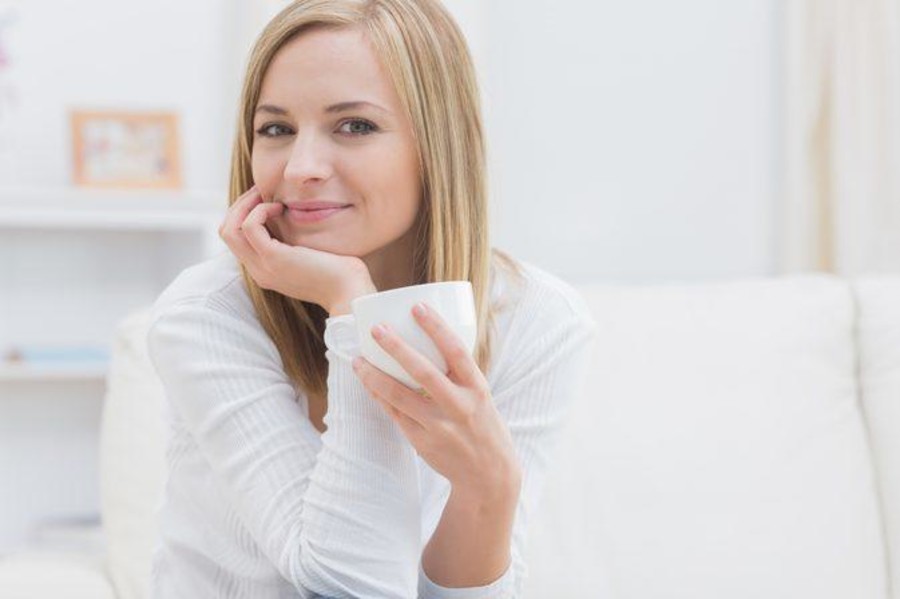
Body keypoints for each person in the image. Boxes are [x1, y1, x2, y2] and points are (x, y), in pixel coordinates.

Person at [145, 0, 597, 597]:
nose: (301, 168)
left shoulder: (535, 319)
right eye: (276, 129)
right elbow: (350, 583)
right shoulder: (207, 314)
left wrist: (489, 489)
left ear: (438, 146)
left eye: (354, 126)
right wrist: (352, 305)